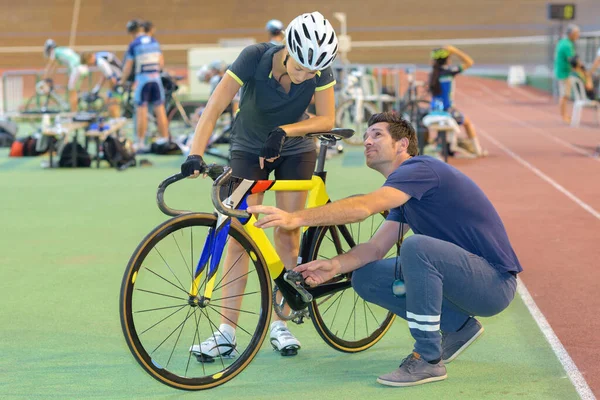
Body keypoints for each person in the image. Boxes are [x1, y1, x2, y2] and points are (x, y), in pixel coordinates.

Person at [247, 111, 522, 386]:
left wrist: (296, 218)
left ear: (402, 144)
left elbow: (364, 207)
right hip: (462, 281)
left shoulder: (420, 169)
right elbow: (375, 248)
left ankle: (428, 360)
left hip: (493, 283)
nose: (367, 141)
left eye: (377, 134)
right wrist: (334, 266)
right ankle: (458, 327)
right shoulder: (405, 193)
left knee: (417, 247)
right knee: (365, 276)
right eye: (366, 135)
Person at [180, 11, 338, 358]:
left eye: (312, 72)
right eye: (300, 68)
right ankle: (226, 331)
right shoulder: (254, 57)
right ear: (287, 49)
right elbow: (215, 106)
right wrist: (195, 153)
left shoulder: (319, 68)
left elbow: (327, 118)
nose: (304, 77)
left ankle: (280, 323)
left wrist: (285, 132)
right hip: (249, 147)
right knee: (239, 234)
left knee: (287, 231)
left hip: (295, 149)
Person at [120, 20, 169, 151]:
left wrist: (122, 81)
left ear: (131, 32)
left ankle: (140, 142)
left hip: (143, 79)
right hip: (156, 79)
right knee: (160, 110)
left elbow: (128, 66)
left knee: (141, 111)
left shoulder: (134, 44)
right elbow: (161, 63)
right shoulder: (154, 42)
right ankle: (165, 138)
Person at [428, 46, 486, 157]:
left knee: (451, 122)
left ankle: (448, 145)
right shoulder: (449, 72)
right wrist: (455, 51)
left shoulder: (432, 75)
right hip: (447, 110)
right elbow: (469, 62)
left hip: (433, 109)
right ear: (448, 59)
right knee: (467, 122)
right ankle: (477, 151)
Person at [41, 39, 88, 111]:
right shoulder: (61, 50)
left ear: (50, 48)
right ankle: (77, 108)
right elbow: (54, 68)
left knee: (72, 91)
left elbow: (50, 66)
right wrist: (49, 77)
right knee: (74, 90)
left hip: (77, 68)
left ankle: (73, 114)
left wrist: (44, 79)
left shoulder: (54, 51)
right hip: (83, 68)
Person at [80, 51, 123, 117]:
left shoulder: (100, 62)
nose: (89, 65)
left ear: (90, 58)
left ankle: (116, 121)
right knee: (108, 102)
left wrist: (111, 91)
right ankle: (115, 119)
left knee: (112, 105)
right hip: (118, 78)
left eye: (88, 63)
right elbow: (104, 75)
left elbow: (112, 80)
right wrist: (96, 89)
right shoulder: (99, 56)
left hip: (119, 80)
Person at [554, 24, 580, 124]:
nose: (578, 36)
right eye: (576, 34)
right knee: (564, 95)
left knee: (565, 95)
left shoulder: (564, 42)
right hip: (563, 73)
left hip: (562, 71)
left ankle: (564, 115)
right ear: (571, 34)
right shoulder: (567, 45)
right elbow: (572, 60)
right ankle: (564, 116)